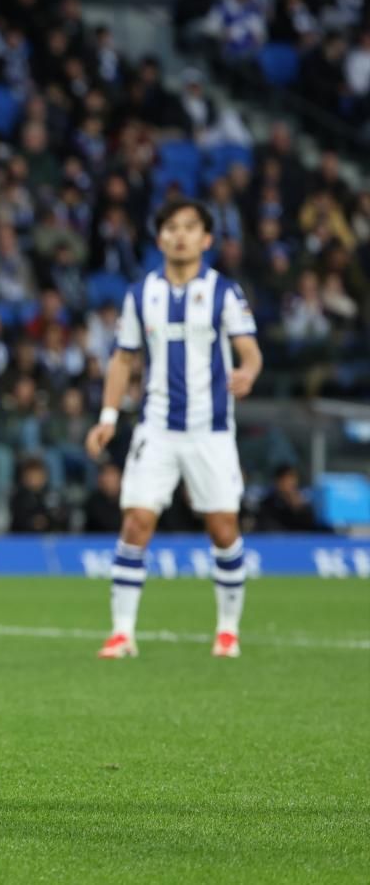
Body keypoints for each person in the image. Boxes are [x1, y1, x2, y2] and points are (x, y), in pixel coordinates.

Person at [87, 199, 263, 660]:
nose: (179, 235)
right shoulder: (141, 293)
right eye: (170, 227)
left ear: (206, 239)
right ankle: (122, 632)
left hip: (211, 430)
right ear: (159, 237)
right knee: (136, 522)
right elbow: (123, 358)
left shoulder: (225, 291)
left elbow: (249, 349)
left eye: (189, 227)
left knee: (223, 528)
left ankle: (227, 629)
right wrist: (107, 418)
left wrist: (247, 371)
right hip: (157, 428)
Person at [256, 465, 318, 532]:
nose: (290, 484)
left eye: (292, 480)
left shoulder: (304, 504)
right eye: (286, 480)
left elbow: (311, 528)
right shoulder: (267, 505)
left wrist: (298, 509)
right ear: (278, 482)